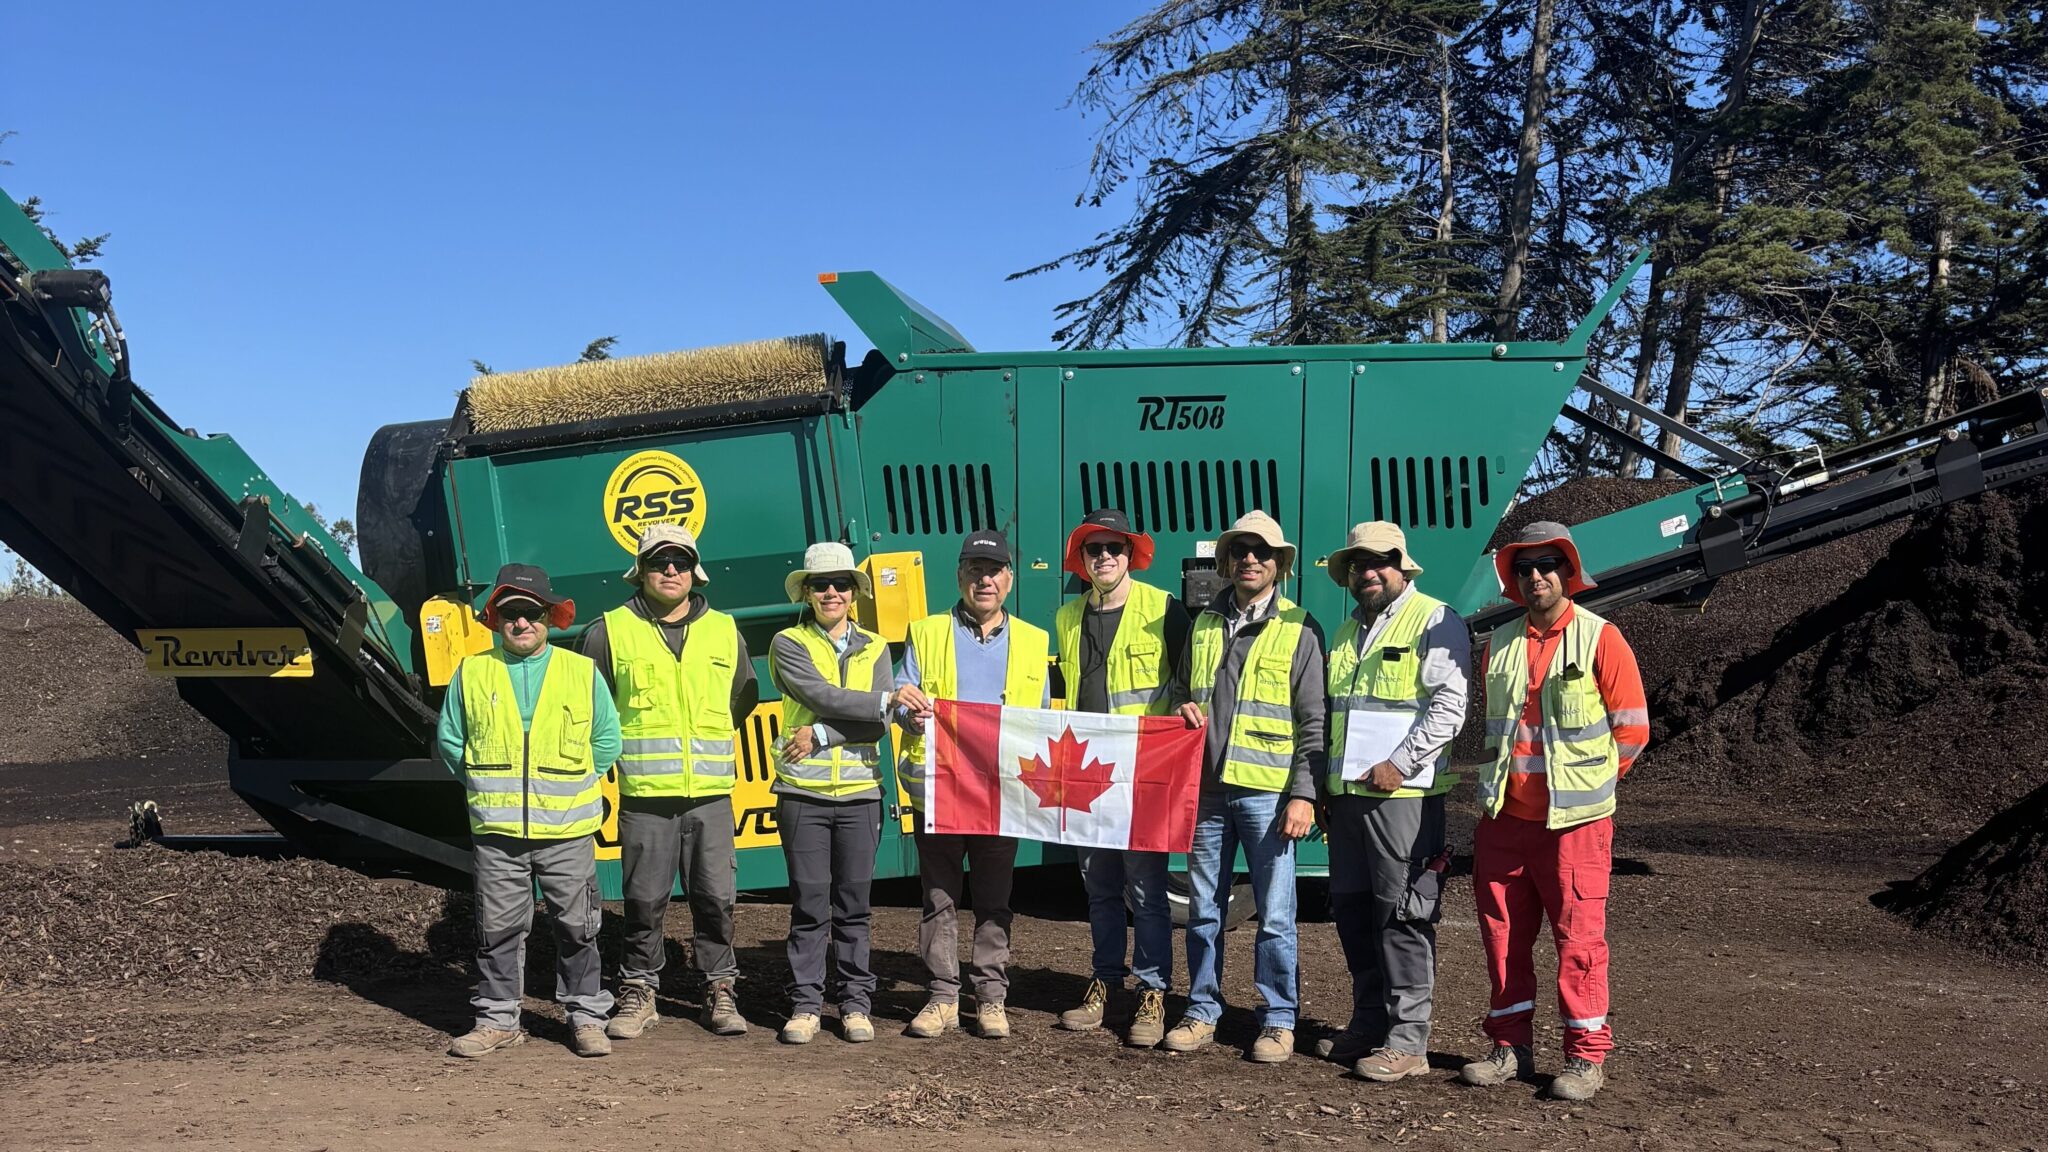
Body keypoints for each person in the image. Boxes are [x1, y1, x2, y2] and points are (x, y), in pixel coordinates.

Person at [1460, 521, 1648, 1102]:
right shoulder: (1500, 643)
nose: (1536, 575)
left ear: (1568, 572)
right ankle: (1509, 1048)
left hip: (1575, 825)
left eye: (1547, 565)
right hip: (1505, 820)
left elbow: (1633, 731)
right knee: (1502, 941)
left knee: (1579, 944)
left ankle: (1585, 1057)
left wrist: (1589, 789)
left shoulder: (1601, 638)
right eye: (1524, 567)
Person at [581, 524, 759, 1041]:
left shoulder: (724, 630)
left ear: (694, 569)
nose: (671, 570)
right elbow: (592, 708)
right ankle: (639, 992)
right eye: (659, 562)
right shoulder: (608, 632)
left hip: (710, 796)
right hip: (645, 799)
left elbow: (742, 697)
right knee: (643, 902)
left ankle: (720, 988)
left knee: (717, 898)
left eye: (680, 561)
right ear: (640, 571)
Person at [436, 564, 621, 1059]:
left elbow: (607, 741)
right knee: (496, 931)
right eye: (511, 613)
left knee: (579, 928)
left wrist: (568, 788)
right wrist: (489, 789)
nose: (521, 622)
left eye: (531, 612)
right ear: (496, 619)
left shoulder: (581, 672)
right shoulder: (471, 671)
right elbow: (451, 742)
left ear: (548, 617)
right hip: (498, 833)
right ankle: (498, 1022)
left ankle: (586, 1018)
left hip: (568, 831)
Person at [1165, 510, 1326, 1064]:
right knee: (1203, 911)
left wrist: (1303, 794)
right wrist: (1181, 707)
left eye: (1262, 552)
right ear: (1226, 560)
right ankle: (1200, 1010)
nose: (1250, 559)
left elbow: (1314, 720)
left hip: (1268, 795)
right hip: (1207, 792)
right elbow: (1181, 692)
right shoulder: (1204, 623)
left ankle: (1279, 1019)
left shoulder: (1301, 628)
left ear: (1279, 563)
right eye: (1240, 550)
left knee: (1275, 916)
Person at [1314, 522, 1469, 1082]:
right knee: (1354, 913)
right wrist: (1326, 786)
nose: (1369, 572)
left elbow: (1450, 707)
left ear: (1402, 566)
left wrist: (1399, 763)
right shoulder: (1344, 633)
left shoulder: (1434, 619)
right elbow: (1335, 715)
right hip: (1347, 801)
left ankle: (1408, 1041)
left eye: (1381, 561)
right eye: (1359, 564)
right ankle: (1368, 1023)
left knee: (1403, 915)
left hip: (1402, 798)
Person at [892, 531, 1049, 1040]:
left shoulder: (1034, 641)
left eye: (994, 570)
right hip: (939, 790)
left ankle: (990, 998)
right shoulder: (926, 632)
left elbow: (1040, 720)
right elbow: (900, 698)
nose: (985, 580)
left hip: (1002, 793)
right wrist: (908, 713)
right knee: (939, 898)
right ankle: (941, 997)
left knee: (994, 899)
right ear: (959, 576)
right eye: (975, 569)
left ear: (1009, 579)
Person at [1050, 508, 1190, 1048]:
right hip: (1086, 778)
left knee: (1148, 892)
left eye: (1115, 547)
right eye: (1094, 548)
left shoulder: (1164, 609)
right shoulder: (1067, 618)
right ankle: (1105, 982)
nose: (1104, 556)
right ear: (1081, 560)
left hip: (1141, 776)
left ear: (1131, 554)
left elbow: (1188, 683)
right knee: (1100, 890)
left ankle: (1152, 992)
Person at [768, 541, 913, 1045]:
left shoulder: (877, 646)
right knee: (809, 905)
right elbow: (821, 696)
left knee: (854, 906)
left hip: (860, 794)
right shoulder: (787, 643)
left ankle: (855, 1005)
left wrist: (822, 734)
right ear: (806, 593)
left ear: (854, 592)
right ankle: (806, 1005)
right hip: (802, 792)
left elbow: (878, 725)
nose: (832, 592)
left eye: (842, 584)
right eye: (821, 585)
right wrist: (882, 701)